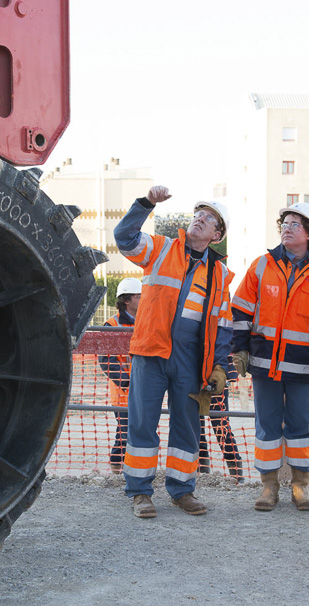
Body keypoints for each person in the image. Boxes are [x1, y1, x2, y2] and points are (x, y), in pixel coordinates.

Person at [114, 186, 234, 519]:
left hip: (190, 359)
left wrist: (218, 367)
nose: (200, 219)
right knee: (141, 424)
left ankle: (182, 490)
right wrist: (146, 203)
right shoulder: (162, 248)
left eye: (208, 218)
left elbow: (223, 324)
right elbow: (124, 236)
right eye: (198, 213)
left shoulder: (220, 274)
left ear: (217, 234)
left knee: (186, 427)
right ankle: (139, 492)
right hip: (151, 353)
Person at [232, 202, 309, 512]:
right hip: (264, 364)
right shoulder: (261, 265)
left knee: (299, 427)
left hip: (305, 367)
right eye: (285, 222)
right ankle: (269, 487)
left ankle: (300, 487)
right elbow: (241, 310)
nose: (287, 227)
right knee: (267, 427)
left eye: (295, 224)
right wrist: (240, 348)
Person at [99, 277, 141, 474]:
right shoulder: (112, 324)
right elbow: (106, 360)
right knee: (125, 431)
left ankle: (126, 469)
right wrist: (126, 381)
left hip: (144, 388)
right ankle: (117, 470)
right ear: (127, 300)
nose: (143, 299)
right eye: (138, 296)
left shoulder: (146, 322)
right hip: (124, 392)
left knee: (137, 431)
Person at [197, 356, 243, 482]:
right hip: (193, 370)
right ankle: (201, 472)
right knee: (195, 425)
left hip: (217, 373)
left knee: (220, 426)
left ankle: (236, 476)